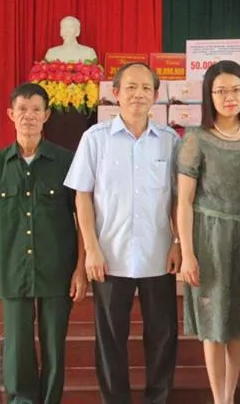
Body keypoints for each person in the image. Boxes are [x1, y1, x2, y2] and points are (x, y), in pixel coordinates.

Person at [64, 62, 181, 404]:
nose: (138, 94)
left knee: (163, 337)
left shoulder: (170, 141)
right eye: (131, 87)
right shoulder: (95, 139)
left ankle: (158, 399)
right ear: (115, 93)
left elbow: (179, 199)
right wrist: (91, 249)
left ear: (155, 96)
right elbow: (82, 196)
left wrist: (178, 242)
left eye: (146, 88)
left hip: (158, 256)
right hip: (110, 256)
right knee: (111, 340)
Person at [0, 82, 88, 404]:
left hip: (57, 267)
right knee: (17, 344)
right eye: (22, 109)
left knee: (54, 344)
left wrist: (80, 269)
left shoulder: (66, 162)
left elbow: (83, 219)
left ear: (46, 115)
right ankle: (22, 400)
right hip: (12, 267)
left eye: (36, 110)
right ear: (11, 114)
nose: (29, 116)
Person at [175, 59, 240, 404]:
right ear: (209, 95)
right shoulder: (196, 138)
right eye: (220, 91)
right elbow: (184, 201)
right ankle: (220, 399)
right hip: (209, 239)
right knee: (214, 322)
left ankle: (231, 395)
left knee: (239, 320)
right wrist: (187, 253)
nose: (229, 97)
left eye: (236, 90)